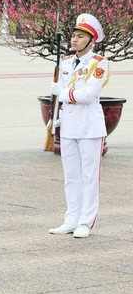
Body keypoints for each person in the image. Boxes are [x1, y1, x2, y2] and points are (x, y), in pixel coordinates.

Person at [49, 14, 110, 239]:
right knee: (71, 176)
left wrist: (61, 93)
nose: (74, 40)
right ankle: (71, 219)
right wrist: (55, 116)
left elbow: (87, 94)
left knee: (90, 176)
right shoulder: (65, 62)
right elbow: (62, 97)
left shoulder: (98, 63)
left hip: (90, 127)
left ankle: (86, 222)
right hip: (69, 125)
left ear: (91, 40)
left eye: (80, 36)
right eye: (73, 36)